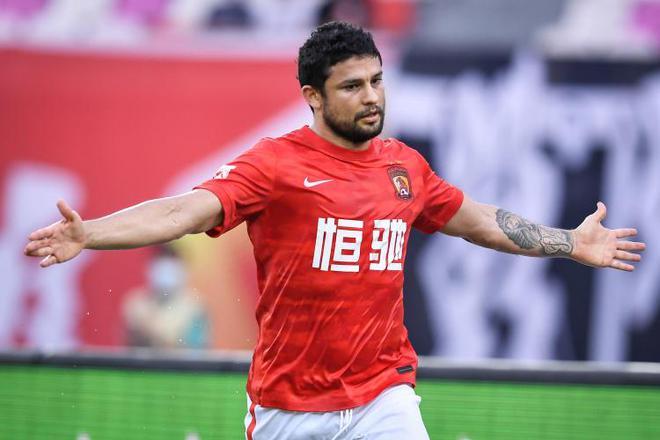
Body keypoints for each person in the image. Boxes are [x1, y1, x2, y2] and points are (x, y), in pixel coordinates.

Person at [24, 21, 645, 440]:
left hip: (384, 398)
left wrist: (569, 242)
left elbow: (478, 221)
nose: (371, 97)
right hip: (288, 408)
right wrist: (90, 234)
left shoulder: (404, 166)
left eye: (377, 80)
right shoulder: (274, 165)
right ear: (313, 97)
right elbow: (182, 212)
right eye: (352, 87)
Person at [123, 245, 208, 349]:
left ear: (181, 271)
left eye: (169, 269)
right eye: (160, 268)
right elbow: (127, 347)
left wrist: (154, 333)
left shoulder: (195, 306)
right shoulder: (136, 303)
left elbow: (196, 350)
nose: (164, 274)